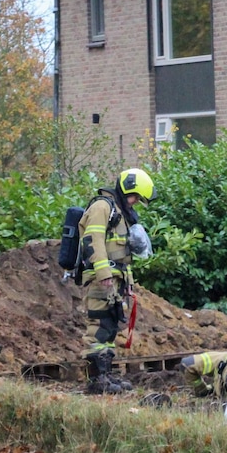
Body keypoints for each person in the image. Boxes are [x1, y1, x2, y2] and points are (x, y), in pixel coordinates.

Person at [78, 168, 155, 394]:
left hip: (116, 278)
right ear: (126, 189)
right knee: (98, 326)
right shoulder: (103, 207)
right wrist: (103, 275)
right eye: (135, 197)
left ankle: (106, 374)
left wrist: (127, 281)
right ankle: (96, 380)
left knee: (110, 327)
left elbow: (122, 251)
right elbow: (93, 241)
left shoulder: (120, 212)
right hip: (102, 278)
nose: (135, 202)